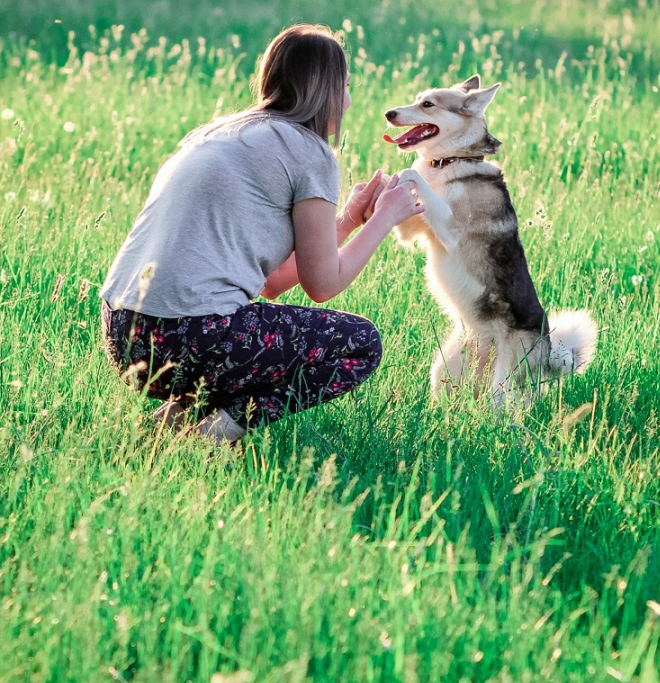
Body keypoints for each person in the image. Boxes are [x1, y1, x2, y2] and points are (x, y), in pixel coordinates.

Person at [99, 24, 424, 445]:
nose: (348, 99)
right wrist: (386, 217)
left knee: (251, 335)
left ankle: (165, 431)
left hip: (124, 333)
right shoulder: (310, 153)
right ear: (326, 90)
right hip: (190, 337)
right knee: (361, 344)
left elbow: (271, 283)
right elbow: (322, 285)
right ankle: (213, 436)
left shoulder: (216, 132)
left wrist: (346, 220)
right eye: (345, 86)